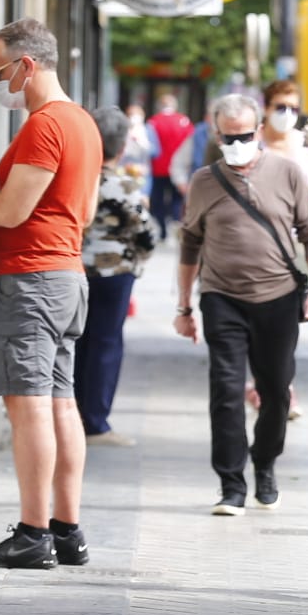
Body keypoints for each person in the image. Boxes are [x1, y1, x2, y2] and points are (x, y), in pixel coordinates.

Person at [0, 18, 104, 570]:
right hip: (67, 277)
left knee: (29, 408)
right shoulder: (83, 123)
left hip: (32, 282)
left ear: (27, 65)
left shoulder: (45, 125)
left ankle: (31, 534)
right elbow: (80, 211)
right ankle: (67, 530)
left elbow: (10, 209)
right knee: (62, 403)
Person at [175, 94, 308, 514]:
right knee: (224, 391)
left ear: (258, 131)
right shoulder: (205, 180)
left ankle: (265, 463)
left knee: (275, 391)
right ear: (216, 132)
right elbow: (189, 241)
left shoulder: (288, 173)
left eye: (244, 134)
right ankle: (230, 483)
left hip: (278, 298)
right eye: (228, 135)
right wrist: (184, 306)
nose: (237, 142)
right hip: (221, 298)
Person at [77, 108, 158, 447]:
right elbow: (146, 235)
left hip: (75, 269)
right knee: (106, 343)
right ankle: (95, 422)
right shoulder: (125, 186)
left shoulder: (75, 179)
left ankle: (71, 413)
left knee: (76, 341)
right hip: (115, 275)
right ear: (121, 147)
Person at [258, 80, 308, 424]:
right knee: (255, 323)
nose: (286, 114)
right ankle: (269, 385)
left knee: (286, 324)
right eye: (279, 107)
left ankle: (278, 386)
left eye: (293, 108)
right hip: (254, 244)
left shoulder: (304, 147)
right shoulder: (252, 143)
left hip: (292, 248)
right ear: (265, 107)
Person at [147, 95, 193, 234]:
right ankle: (175, 225)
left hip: (158, 168)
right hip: (178, 169)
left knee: (158, 199)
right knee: (176, 200)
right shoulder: (183, 121)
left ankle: (162, 228)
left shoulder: (154, 122)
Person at [120, 102, 157, 197]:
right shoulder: (122, 130)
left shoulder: (148, 130)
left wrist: (143, 143)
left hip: (143, 174)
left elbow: (156, 152)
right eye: (130, 115)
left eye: (136, 115)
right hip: (124, 173)